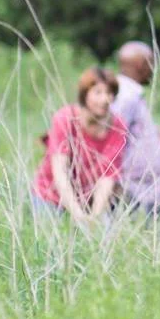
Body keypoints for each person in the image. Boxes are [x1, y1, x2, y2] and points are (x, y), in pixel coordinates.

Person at [32, 66, 128, 226]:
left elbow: (108, 177)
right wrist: (76, 213)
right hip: (51, 195)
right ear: (85, 95)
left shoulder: (118, 126)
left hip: (90, 199)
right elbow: (60, 171)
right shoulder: (65, 118)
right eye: (98, 92)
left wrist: (95, 217)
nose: (105, 99)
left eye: (109, 93)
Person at [112, 41, 160, 214]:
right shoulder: (125, 96)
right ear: (141, 65)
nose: (153, 69)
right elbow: (114, 138)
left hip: (145, 190)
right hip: (132, 190)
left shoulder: (131, 93)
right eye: (151, 63)